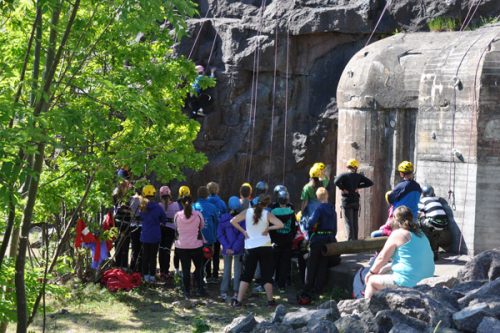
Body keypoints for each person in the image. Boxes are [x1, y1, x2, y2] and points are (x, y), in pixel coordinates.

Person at [364, 206, 435, 298]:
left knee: (371, 281)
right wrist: (385, 268)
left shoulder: (398, 234)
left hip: (409, 282)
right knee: (384, 270)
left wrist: (371, 273)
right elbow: (411, 259)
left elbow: (382, 258)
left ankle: (367, 308)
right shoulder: (420, 233)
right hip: (427, 278)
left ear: (395, 219)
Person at [230, 195, 284, 307]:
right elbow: (280, 224)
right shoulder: (267, 214)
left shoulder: (247, 212)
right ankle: (270, 301)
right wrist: (268, 228)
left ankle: (239, 301)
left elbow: (233, 221)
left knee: (246, 275)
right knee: (266, 275)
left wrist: (244, 232)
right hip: (265, 246)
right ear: (266, 204)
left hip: (250, 247)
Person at [299, 187, 337, 304]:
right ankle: (318, 290)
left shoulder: (319, 209)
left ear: (317, 198)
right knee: (323, 265)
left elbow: (311, 223)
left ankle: (307, 289)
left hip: (318, 238)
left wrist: (308, 227)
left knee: (312, 264)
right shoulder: (333, 209)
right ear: (327, 196)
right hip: (329, 239)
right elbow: (335, 228)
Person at [174, 195, 207, 298]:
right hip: (196, 245)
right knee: (199, 268)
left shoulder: (177, 215)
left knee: (185, 269)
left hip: (182, 246)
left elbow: (176, 227)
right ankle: (200, 290)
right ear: (192, 203)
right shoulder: (198, 215)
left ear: (182, 203)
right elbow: (201, 226)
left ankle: (187, 292)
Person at [333, 158, 374, 240]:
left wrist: (342, 188)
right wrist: (358, 186)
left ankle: (351, 241)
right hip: (355, 201)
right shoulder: (358, 176)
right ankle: (355, 240)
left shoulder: (343, 175)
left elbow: (336, 181)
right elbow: (370, 183)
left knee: (349, 223)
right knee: (355, 222)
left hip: (347, 201)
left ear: (348, 166)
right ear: (355, 167)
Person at [217, 196, 245, 303]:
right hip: (238, 249)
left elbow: (220, 234)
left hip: (226, 249)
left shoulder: (223, 218)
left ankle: (223, 291)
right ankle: (236, 291)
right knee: (237, 270)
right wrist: (234, 248)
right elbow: (242, 235)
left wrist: (227, 246)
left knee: (226, 270)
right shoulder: (242, 219)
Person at [269, 189, 296, 292]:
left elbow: (271, 226)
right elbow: (294, 227)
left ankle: (270, 283)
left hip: (276, 241)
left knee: (274, 263)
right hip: (287, 241)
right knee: (284, 264)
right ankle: (281, 286)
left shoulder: (273, 211)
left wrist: (272, 238)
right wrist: (290, 236)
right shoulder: (291, 211)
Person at [139, 185, 167, 283]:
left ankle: (145, 276)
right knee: (153, 257)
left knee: (145, 256)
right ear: (154, 194)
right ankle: (152, 276)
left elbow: (140, 217)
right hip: (155, 236)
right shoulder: (158, 207)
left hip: (145, 236)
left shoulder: (142, 206)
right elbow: (164, 220)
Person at [193, 186, 220, 281]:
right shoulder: (213, 207)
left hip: (197, 237)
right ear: (207, 195)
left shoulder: (194, 206)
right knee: (208, 255)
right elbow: (217, 221)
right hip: (209, 237)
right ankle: (207, 276)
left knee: (199, 257)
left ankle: (200, 275)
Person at [418, 185, 451, 261]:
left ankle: (425, 249)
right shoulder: (437, 200)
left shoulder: (423, 200)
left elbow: (419, 212)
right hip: (444, 224)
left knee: (421, 222)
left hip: (433, 223)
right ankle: (434, 253)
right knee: (434, 236)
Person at [158, 186, 182, 281]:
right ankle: (166, 271)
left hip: (161, 229)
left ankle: (162, 271)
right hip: (171, 229)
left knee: (161, 250)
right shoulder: (176, 205)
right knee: (167, 250)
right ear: (170, 194)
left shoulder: (159, 206)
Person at [300, 163, 329, 238]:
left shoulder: (306, 187)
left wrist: (302, 211)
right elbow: (326, 178)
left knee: (310, 229)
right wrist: (322, 173)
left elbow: (305, 202)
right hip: (321, 209)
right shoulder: (323, 183)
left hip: (311, 212)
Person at [207, 181, 227, 280]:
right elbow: (225, 216)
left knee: (207, 251)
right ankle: (215, 274)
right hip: (218, 231)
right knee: (216, 252)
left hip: (208, 231)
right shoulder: (222, 203)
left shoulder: (205, 202)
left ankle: (207, 274)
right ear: (217, 190)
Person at [112, 175, 133, 270]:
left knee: (124, 244)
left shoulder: (128, 196)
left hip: (125, 222)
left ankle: (123, 265)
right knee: (119, 243)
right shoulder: (116, 194)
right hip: (119, 222)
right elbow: (120, 209)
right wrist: (128, 211)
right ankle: (119, 264)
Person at [129, 186, 143, 272]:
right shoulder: (144, 200)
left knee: (134, 248)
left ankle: (132, 267)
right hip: (142, 225)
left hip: (132, 225)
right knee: (141, 248)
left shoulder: (131, 199)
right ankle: (140, 268)